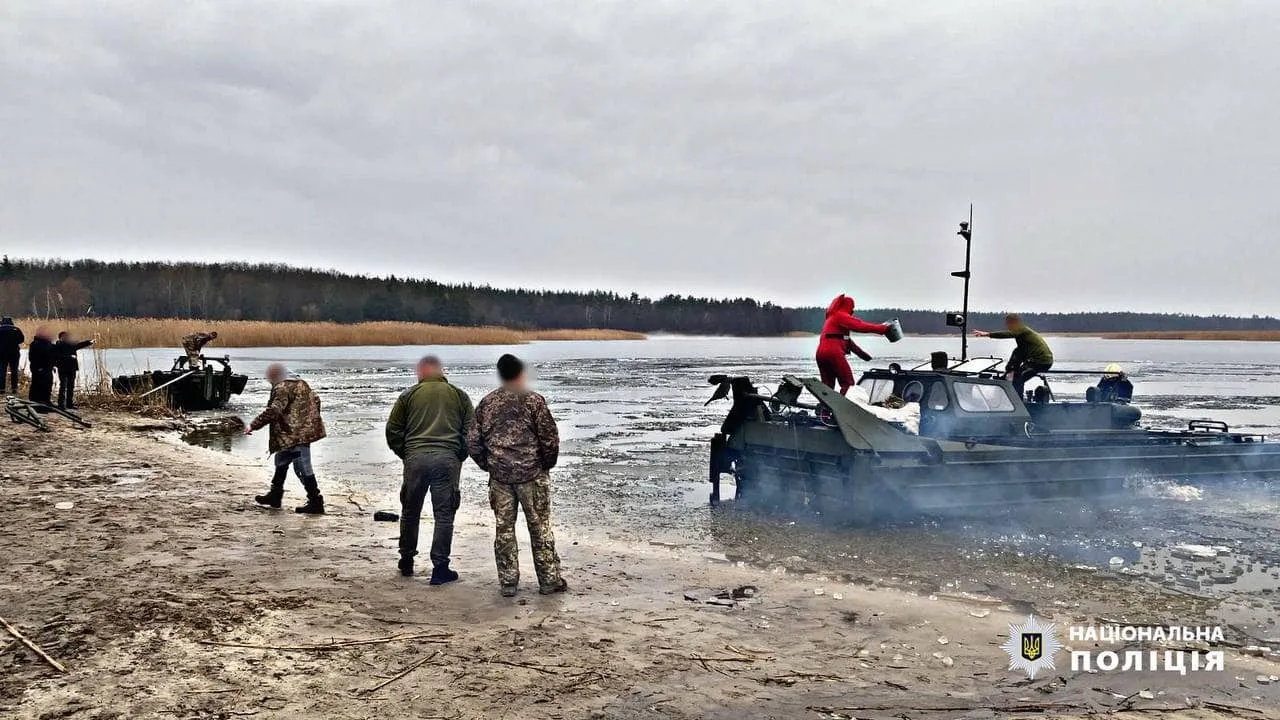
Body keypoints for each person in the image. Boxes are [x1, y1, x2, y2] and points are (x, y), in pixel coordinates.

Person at [467, 354, 567, 598]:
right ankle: (548, 580)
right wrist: (545, 465)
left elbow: (472, 441)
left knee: (504, 529)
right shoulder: (533, 401)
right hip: (531, 475)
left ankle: (508, 582)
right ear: (520, 373)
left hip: (500, 478)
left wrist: (489, 465)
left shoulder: (487, 403)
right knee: (540, 527)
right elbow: (550, 439)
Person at [385, 355, 474, 583]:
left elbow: (393, 431)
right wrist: (458, 454)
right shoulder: (460, 396)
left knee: (410, 511)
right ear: (441, 371)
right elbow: (471, 432)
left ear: (422, 371)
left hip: (415, 459)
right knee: (444, 514)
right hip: (447, 459)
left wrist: (407, 453)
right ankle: (440, 567)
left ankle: (406, 560)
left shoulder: (408, 396)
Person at [246, 364, 327, 514]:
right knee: (281, 460)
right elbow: (316, 400)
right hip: (296, 432)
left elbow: (274, 411)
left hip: (295, 434)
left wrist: (252, 425)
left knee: (303, 467)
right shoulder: (302, 383)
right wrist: (309, 421)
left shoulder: (281, 387)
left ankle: (316, 501)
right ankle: (275, 495)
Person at [815, 294, 890, 394]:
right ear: (847, 306)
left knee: (828, 385)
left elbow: (848, 342)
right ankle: (843, 408)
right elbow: (859, 326)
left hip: (820, 354)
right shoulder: (840, 315)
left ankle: (824, 409)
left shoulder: (832, 319)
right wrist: (882, 328)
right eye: (852, 307)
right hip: (833, 353)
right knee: (848, 383)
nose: (853, 311)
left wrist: (863, 355)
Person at [973, 314, 1054, 396]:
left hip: (1041, 362)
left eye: (1008, 323)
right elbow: (1018, 354)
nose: (1007, 326)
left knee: (1018, 378)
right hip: (1036, 361)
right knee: (1017, 352)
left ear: (1013, 322)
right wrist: (1010, 370)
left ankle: (1018, 401)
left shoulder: (1021, 329)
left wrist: (988, 334)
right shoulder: (1022, 337)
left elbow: (1007, 334)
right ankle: (1009, 376)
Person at [53, 332, 94, 410]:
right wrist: (69, 357)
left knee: (71, 387)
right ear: (61, 338)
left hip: (72, 369)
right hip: (63, 369)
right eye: (65, 337)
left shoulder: (71, 345)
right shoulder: (58, 346)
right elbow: (57, 356)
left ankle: (69, 404)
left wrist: (89, 342)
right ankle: (61, 404)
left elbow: (79, 345)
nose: (67, 338)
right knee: (63, 386)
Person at [26, 327, 56, 408]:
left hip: (48, 368)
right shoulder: (35, 343)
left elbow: (53, 354)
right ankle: (36, 403)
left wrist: (53, 365)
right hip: (39, 368)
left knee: (48, 384)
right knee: (38, 385)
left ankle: (46, 401)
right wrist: (39, 367)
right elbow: (32, 357)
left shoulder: (49, 343)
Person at [0, 316, 23, 395]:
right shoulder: (16, 329)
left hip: (1, 353)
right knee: (14, 371)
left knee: (2, 370)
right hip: (14, 353)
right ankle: (14, 388)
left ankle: (1, 389)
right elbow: (21, 340)